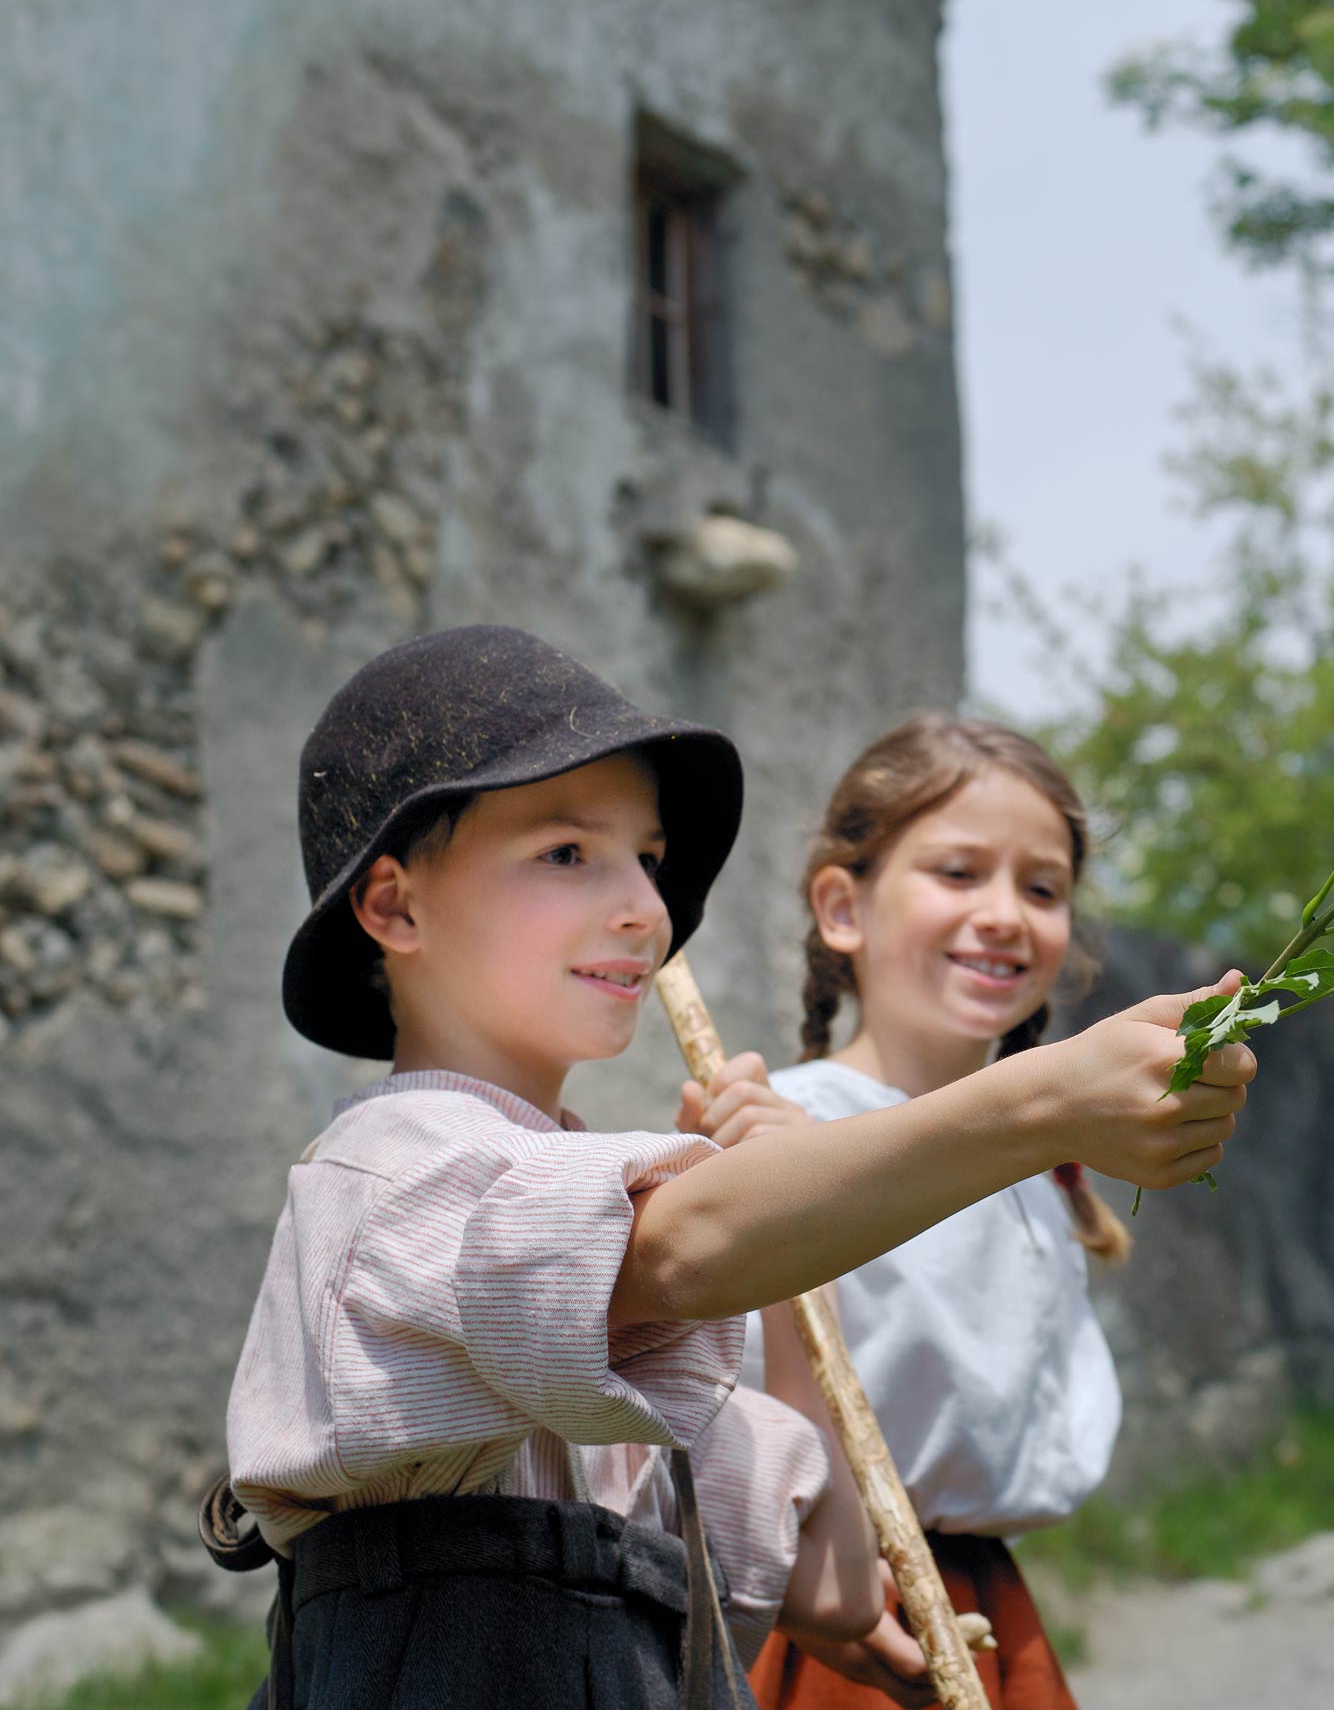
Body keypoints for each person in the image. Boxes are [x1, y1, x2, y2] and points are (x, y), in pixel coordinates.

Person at [220, 631, 1252, 1708]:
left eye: (649, 861)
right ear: (394, 906)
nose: (644, 911)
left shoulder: (604, 1231)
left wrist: (790, 1266)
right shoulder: (390, 1174)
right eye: (568, 853)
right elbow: (678, 1249)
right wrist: (1041, 1102)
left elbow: (834, 1579)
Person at [676, 718, 1129, 1710]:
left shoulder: (1029, 1159)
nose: (1005, 914)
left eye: (1042, 887)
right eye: (959, 873)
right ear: (842, 906)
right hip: (829, 1611)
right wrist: (775, 1190)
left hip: (982, 1603)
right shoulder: (791, 1134)